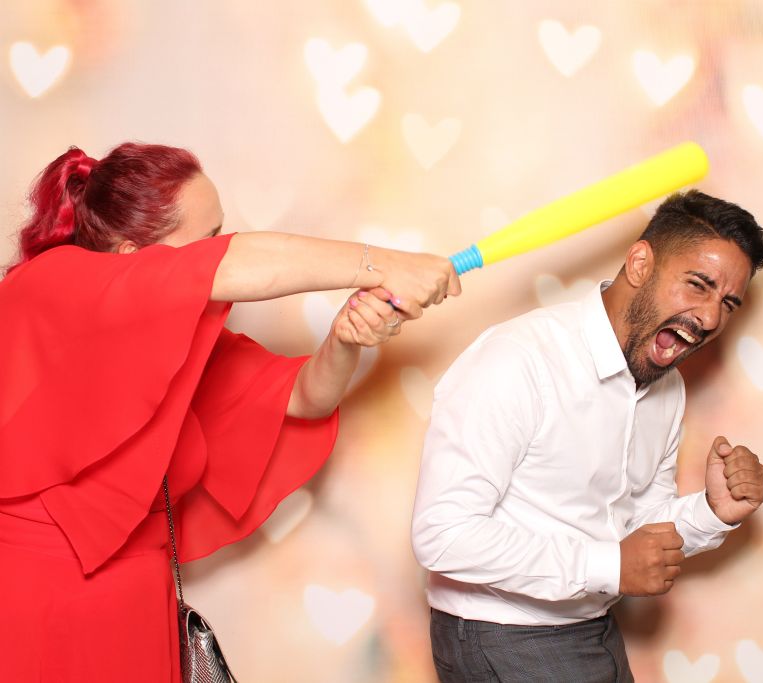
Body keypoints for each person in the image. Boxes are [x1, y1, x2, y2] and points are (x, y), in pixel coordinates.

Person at [0, 142, 460, 681]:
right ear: (130, 256)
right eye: (209, 240)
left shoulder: (189, 342)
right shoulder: (50, 284)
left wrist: (343, 340)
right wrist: (388, 264)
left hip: (139, 601)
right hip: (35, 599)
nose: (221, 253)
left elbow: (303, 397)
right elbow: (235, 265)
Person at [412, 190, 763, 682]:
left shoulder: (667, 386)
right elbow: (443, 534)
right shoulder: (518, 360)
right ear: (640, 264)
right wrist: (608, 566)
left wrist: (711, 511)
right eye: (697, 285)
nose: (710, 318)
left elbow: (637, 530)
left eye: (728, 303)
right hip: (503, 631)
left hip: (592, 624)